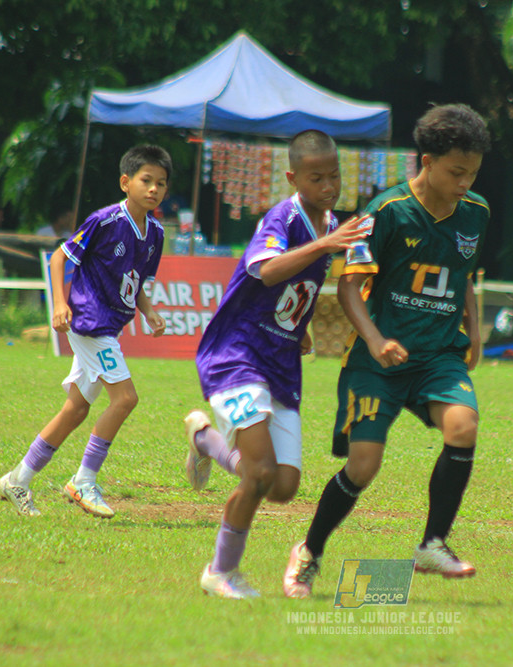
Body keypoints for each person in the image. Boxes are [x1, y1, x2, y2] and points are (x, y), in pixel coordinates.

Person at [283, 103, 492, 599]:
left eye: (473, 173)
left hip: (439, 354)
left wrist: (475, 330)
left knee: (463, 426)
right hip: (377, 361)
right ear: (427, 161)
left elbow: (462, 276)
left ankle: (433, 544)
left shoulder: (476, 213)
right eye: (456, 172)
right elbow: (351, 286)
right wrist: (375, 340)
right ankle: (308, 552)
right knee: (363, 466)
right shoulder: (387, 213)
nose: (465, 182)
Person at [184, 130, 368, 599]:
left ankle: (205, 439)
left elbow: (294, 285)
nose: (329, 185)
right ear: (293, 178)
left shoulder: (328, 223)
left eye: (334, 175)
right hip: (238, 353)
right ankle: (220, 572)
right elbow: (265, 269)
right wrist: (325, 248)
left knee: (283, 485)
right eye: (317, 177)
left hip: (281, 360)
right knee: (260, 472)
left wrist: (298, 323)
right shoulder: (283, 217)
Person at [0, 144, 171, 518]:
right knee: (125, 399)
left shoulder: (155, 232)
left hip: (110, 327)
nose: (154, 189)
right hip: (91, 324)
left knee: (75, 410)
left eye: (161, 183)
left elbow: (135, 283)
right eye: (146, 180)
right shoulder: (106, 220)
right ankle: (83, 481)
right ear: (126, 182)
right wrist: (61, 303)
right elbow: (60, 256)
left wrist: (150, 312)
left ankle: (17, 480)